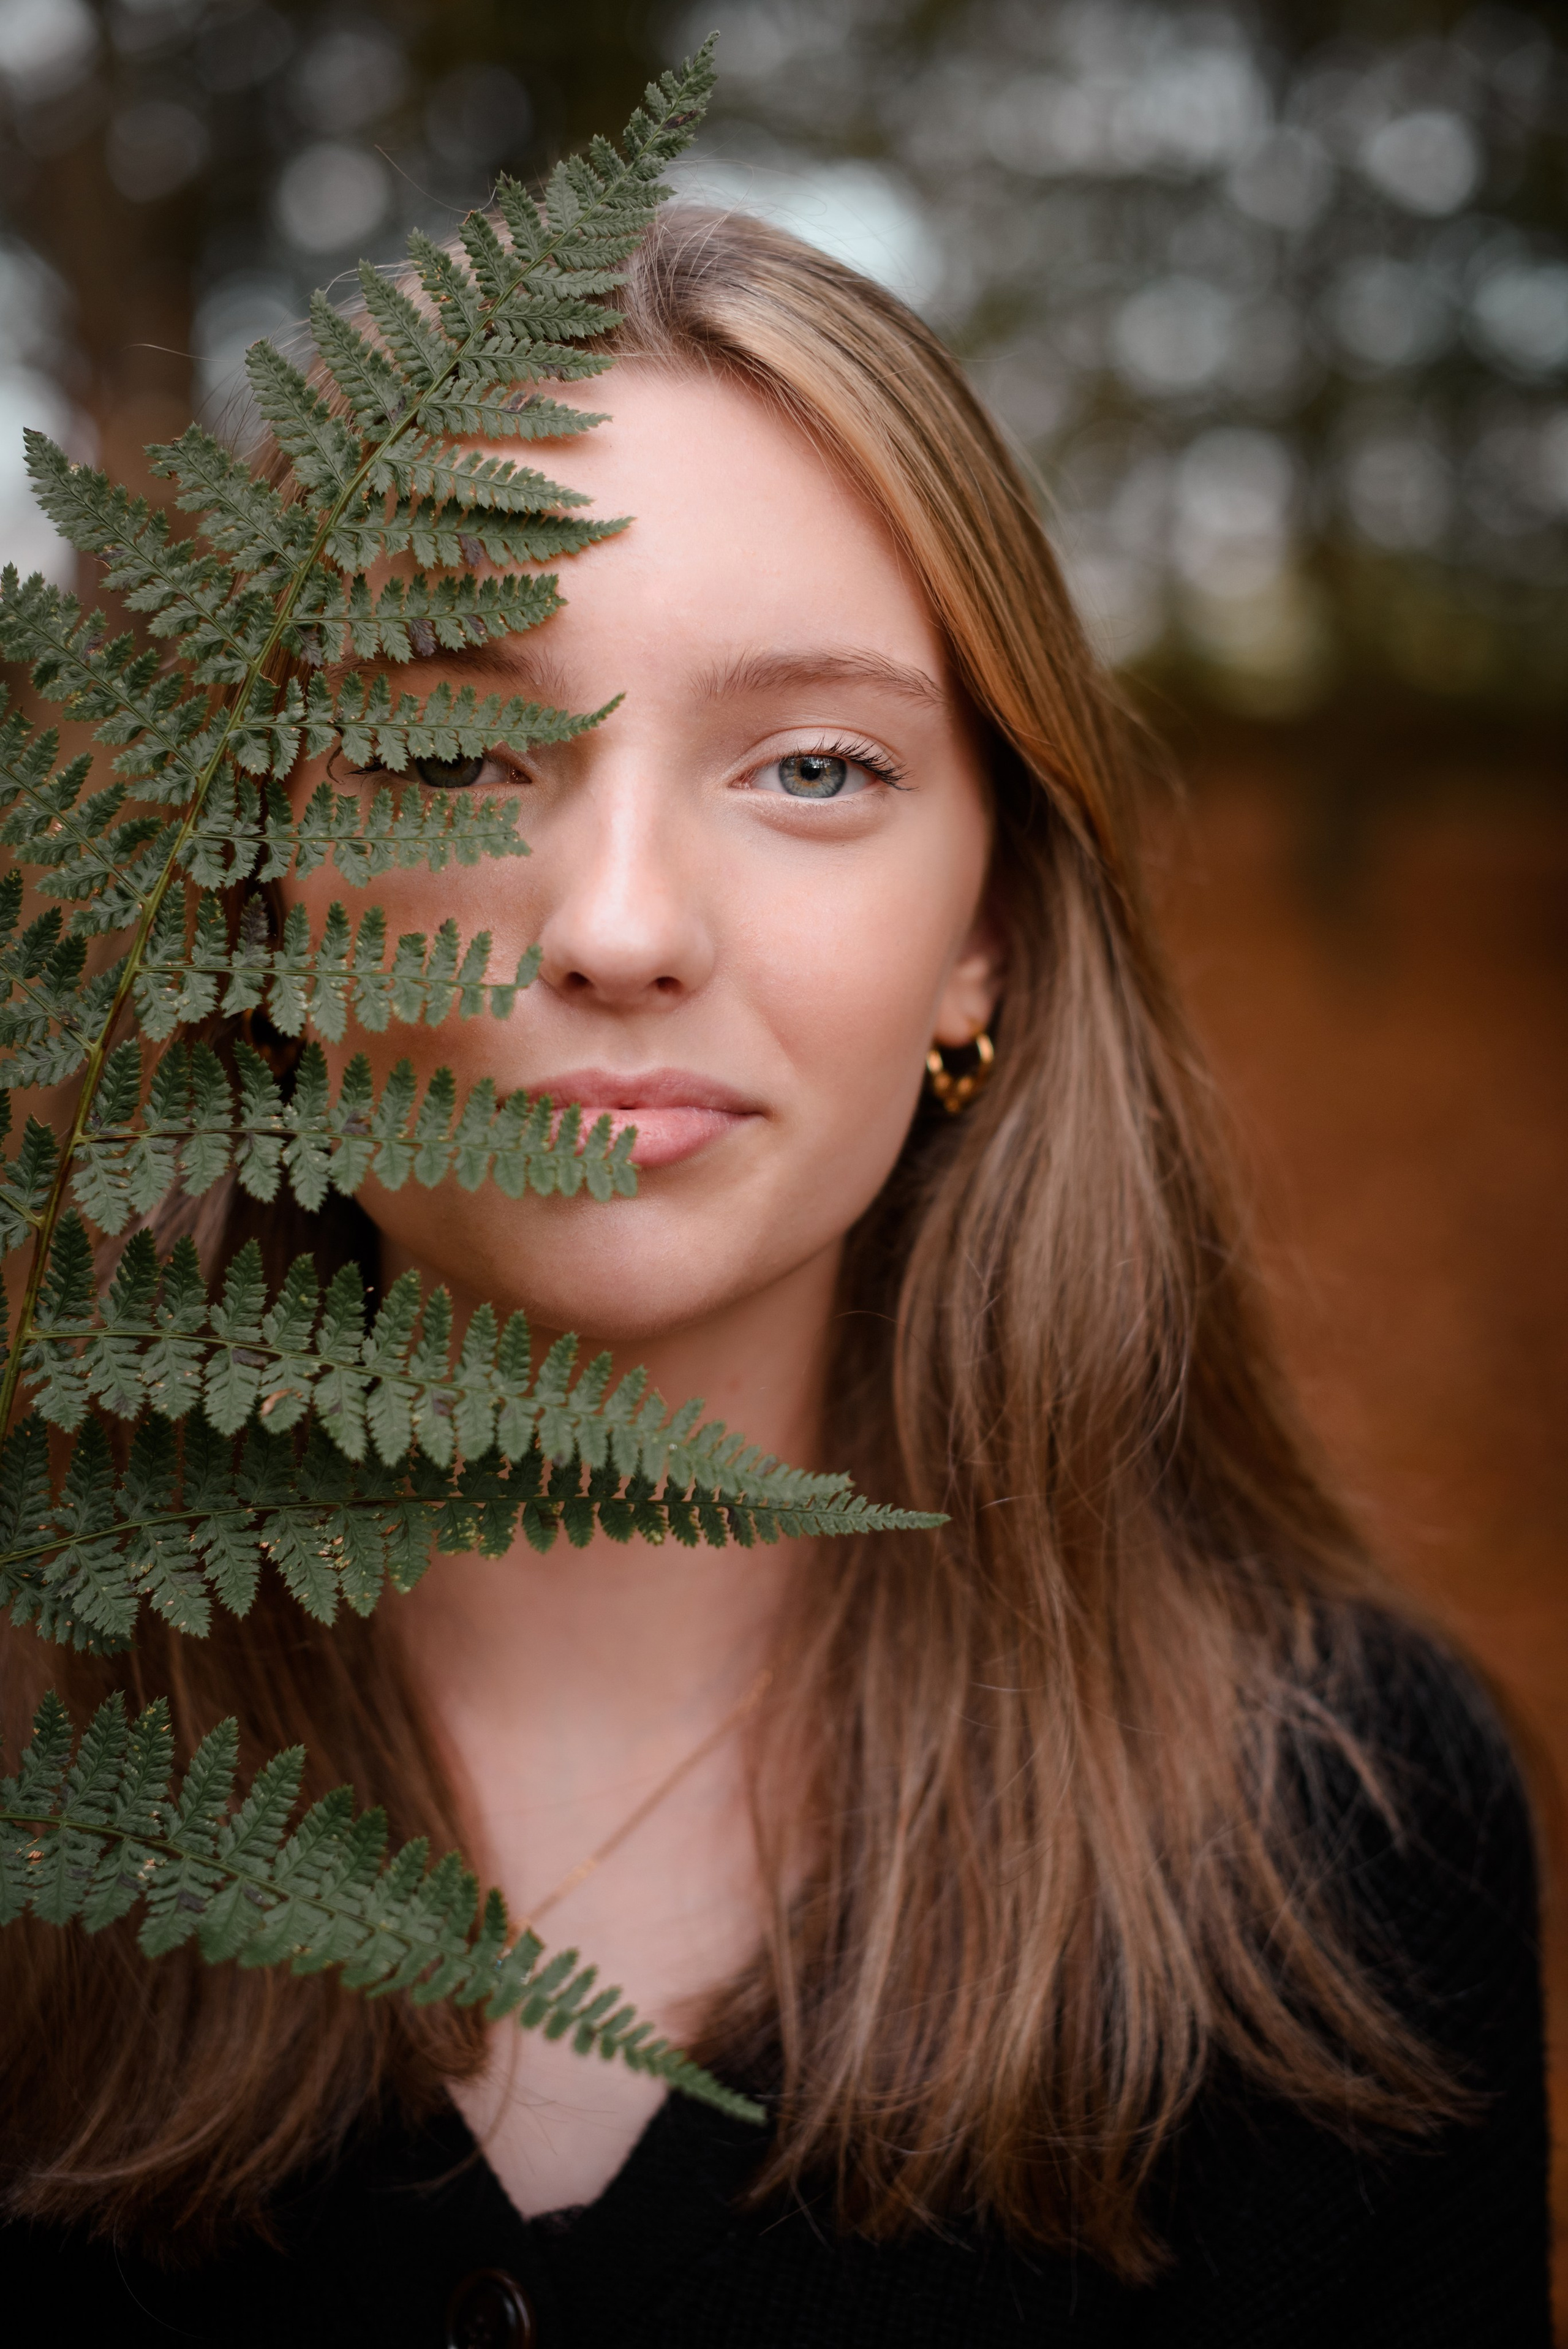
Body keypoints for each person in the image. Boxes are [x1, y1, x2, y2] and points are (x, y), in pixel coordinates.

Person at [0, 205, 1550, 2347]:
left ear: (985, 931)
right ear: (265, 888)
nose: (621, 924)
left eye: (814, 766)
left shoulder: (1349, 1837)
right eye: (456, 753)